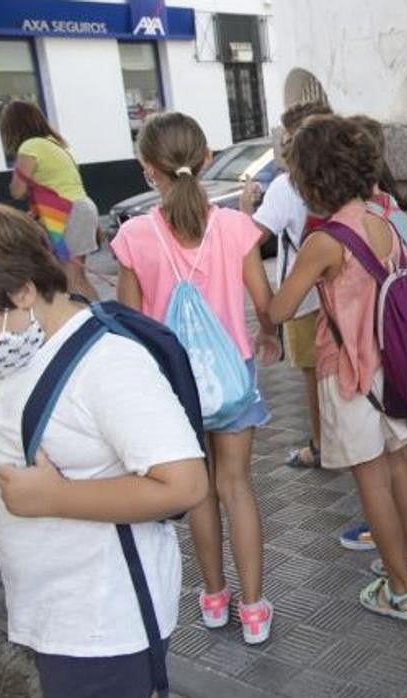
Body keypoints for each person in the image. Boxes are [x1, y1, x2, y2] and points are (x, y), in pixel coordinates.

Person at [0, 201, 207, 697]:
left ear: (23, 291)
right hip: (59, 611)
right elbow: (55, 424)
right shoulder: (27, 344)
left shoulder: (109, 365)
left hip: (104, 626)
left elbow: (185, 483)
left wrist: (54, 499)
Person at [111, 112, 281, 645]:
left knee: (200, 492)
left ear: (147, 170)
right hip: (232, 378)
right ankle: (254, 609)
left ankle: (212, 598)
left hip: (171, 390)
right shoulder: (235, 227)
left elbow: (130, 324)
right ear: (207, 160)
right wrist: (270, 335)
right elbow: (263, 303)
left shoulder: (135, 235)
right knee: (237, 487)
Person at [267, 114, 407, 621]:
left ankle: (401, 592)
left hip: (349, 376)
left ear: (312, 179)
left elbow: (280, 310)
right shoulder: (383, 222)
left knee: (371, 483)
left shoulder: (325, 241)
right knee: (400, 468)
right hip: (392, 368)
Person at [240, 100, 334, 470]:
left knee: (314, 375)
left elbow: (249, 239)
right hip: (347, 294)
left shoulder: (286, 185)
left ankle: (322, 444)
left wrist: (246, 209)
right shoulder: (345, 176)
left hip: (303, 296)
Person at [0, 101, 100, 301]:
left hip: (68, 213)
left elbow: (17, 190)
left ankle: (95, 322)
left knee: (71, 279)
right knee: (78, 277)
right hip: (81, 209)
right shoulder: (55, 143)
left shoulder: (30, 146)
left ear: (12, 126)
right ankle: (98, 318)